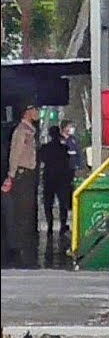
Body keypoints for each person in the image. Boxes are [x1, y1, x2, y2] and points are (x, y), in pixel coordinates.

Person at [3, 105, 41, 268]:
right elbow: (15, 154)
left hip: (28, 173)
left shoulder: (30, 131)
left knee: (27, 210)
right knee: (21, 211)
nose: (38, 113)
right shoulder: (21, 131)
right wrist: (11, 175)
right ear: (27, 112)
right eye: (35, 110)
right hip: (22, 174)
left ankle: (22, 245)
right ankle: (18, 247)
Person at [38, 124, 73, 242]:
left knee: (48, 203)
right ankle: (63, 225)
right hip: (62, 178)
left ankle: (50, 225)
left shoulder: (44, 148)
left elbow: (41, 160)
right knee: (63, 203)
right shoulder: (64, 149)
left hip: (49, 178)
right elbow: (68, 164)